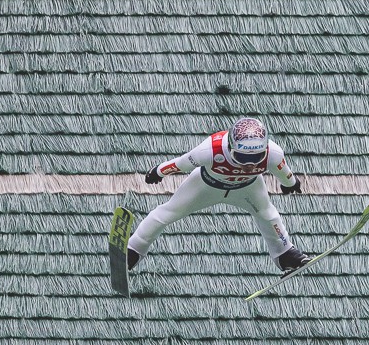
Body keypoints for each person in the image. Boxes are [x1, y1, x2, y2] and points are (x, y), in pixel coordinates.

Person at [128, 117, 311, 274]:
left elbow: (284, 172)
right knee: (168, 212)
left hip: (248, 188)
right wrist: (158, 171)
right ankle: (134, 248)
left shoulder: (273, 153)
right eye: (242, 157)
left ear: (264, 150)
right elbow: (182, 164)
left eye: (256, 157)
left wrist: (290, 183)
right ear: (230, 147)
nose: (249, 165)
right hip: (205, 186)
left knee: (268, 215)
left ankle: (284, 254)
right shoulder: (210, 149)